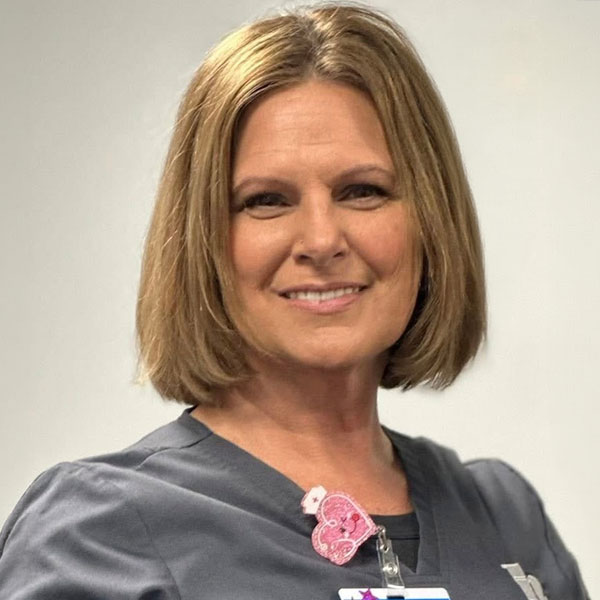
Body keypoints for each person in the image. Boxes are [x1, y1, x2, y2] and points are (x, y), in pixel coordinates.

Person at [0, 3, 589, 599]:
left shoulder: (505, 518)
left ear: (432, 220)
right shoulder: (102, 536)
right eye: (267, 201)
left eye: (362, 191)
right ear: (204, 240)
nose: (321, 240)